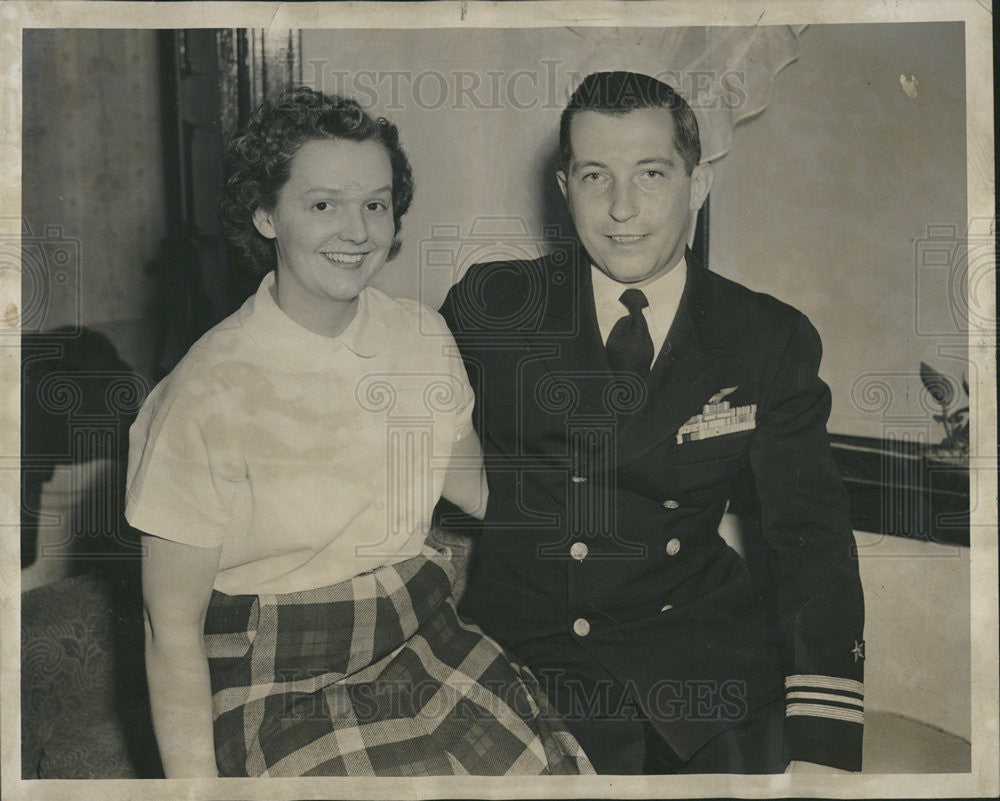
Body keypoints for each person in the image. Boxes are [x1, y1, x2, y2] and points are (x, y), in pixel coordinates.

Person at [127, 87, 593, 778]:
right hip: (274, 677)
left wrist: (611, 545)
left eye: (375, 203)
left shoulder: (420, 335)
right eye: (323, 205)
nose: (357, 230)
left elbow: (475, 485)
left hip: (419, 633)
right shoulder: (204, 393)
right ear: (263, 214)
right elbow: (170, 635)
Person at [439, 71, 865, 775]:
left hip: (700, 662)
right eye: (595, 175)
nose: (622, 209)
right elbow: (377, 411)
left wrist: (822, 741)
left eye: (652, 174)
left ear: (697, 185)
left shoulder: (764, 336)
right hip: (527, 660)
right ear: (563, 186)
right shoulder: (493, 306)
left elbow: (810, 540)